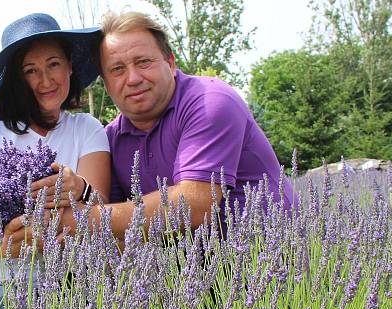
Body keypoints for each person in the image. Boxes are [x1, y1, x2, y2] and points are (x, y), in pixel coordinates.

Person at [57, 11, 294, 240]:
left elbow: (195, 204)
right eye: (117, 69)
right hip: (192, 274)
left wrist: (78, 222)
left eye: (143, 62)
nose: (133, 78)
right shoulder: (111, 139)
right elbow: (117, 226)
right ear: (106, 84)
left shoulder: (208, 101)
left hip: (274, 261)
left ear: (170, 62)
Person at [0, 13, 110, 309]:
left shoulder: (87, 130)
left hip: (68, 280)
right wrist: (4, 246)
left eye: (53, 65)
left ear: (69, 67)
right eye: (30, 70)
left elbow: (101, 212)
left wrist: (79, 188)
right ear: (15, 79)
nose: (45, 80)